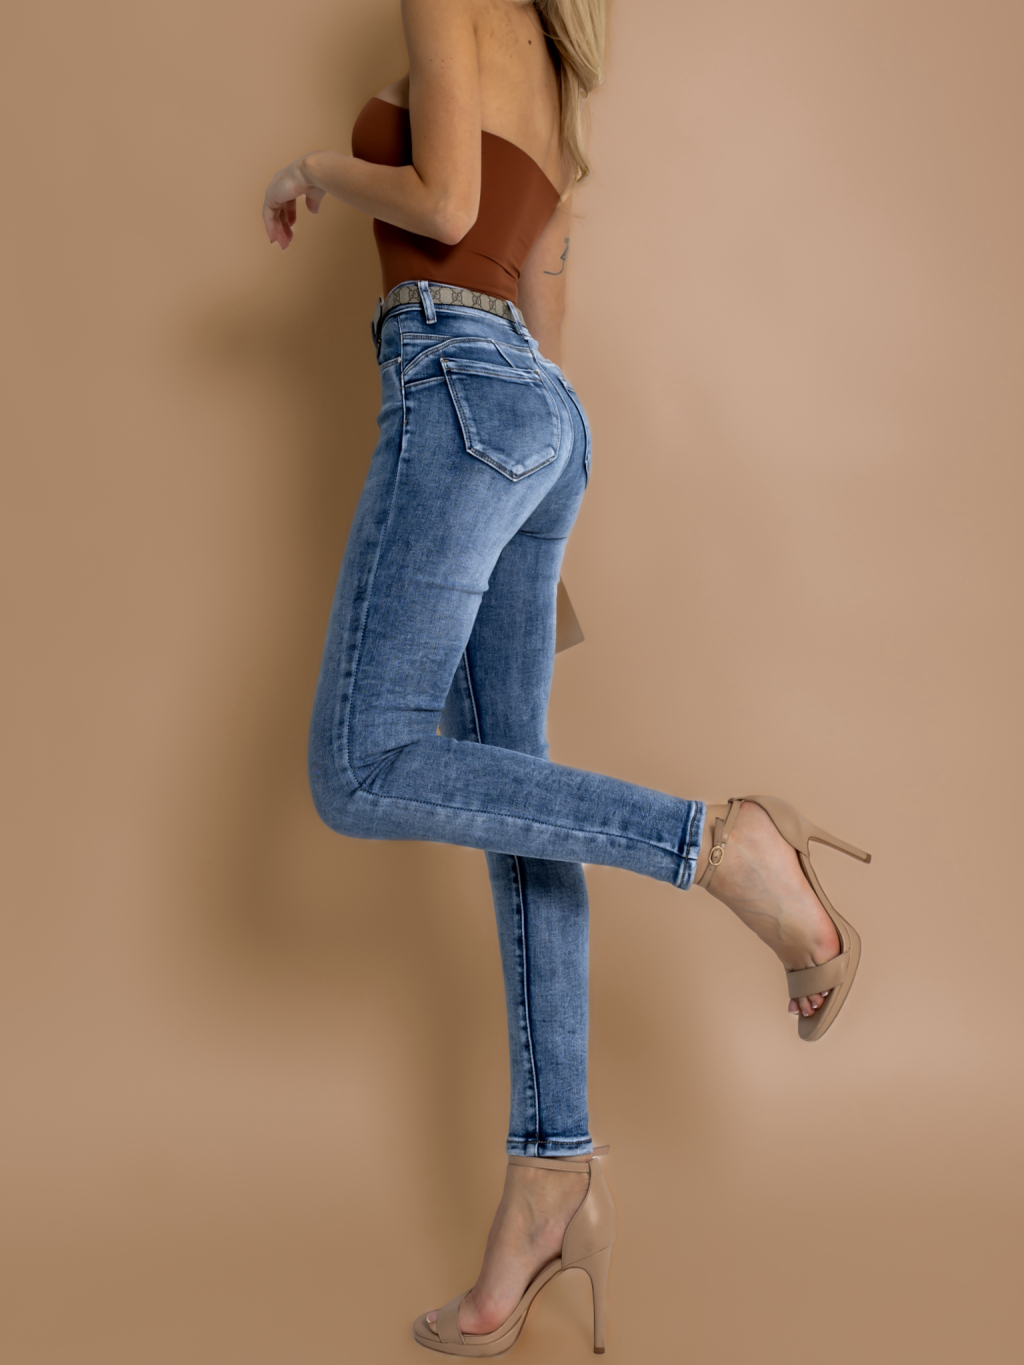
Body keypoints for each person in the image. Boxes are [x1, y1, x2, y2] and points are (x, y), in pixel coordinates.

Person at [261, 0, 870, 1354]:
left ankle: (720, 844)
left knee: (359, 767)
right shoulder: (547, 53)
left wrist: (315, 168)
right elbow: (545, 286)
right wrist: (522, 505)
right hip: (536, 417)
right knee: (517, 810)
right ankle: (552, 1180)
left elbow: (445, 201)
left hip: (452, 389)